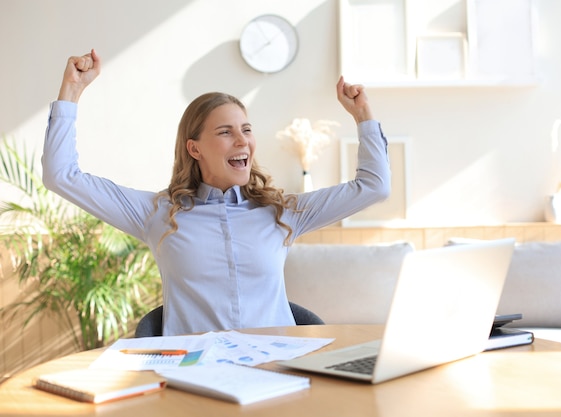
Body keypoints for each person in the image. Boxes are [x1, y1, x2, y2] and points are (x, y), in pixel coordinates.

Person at [42, 49, 391, 336]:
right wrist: (71, 92)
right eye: (225, 132)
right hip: (195, 377)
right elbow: (62, 176)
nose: (242, 140)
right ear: (195, 149)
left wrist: (363, 116)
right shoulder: (158, 213)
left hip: (278, 369)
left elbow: (374, 186)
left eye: (246, 129)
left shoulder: (282, 212)